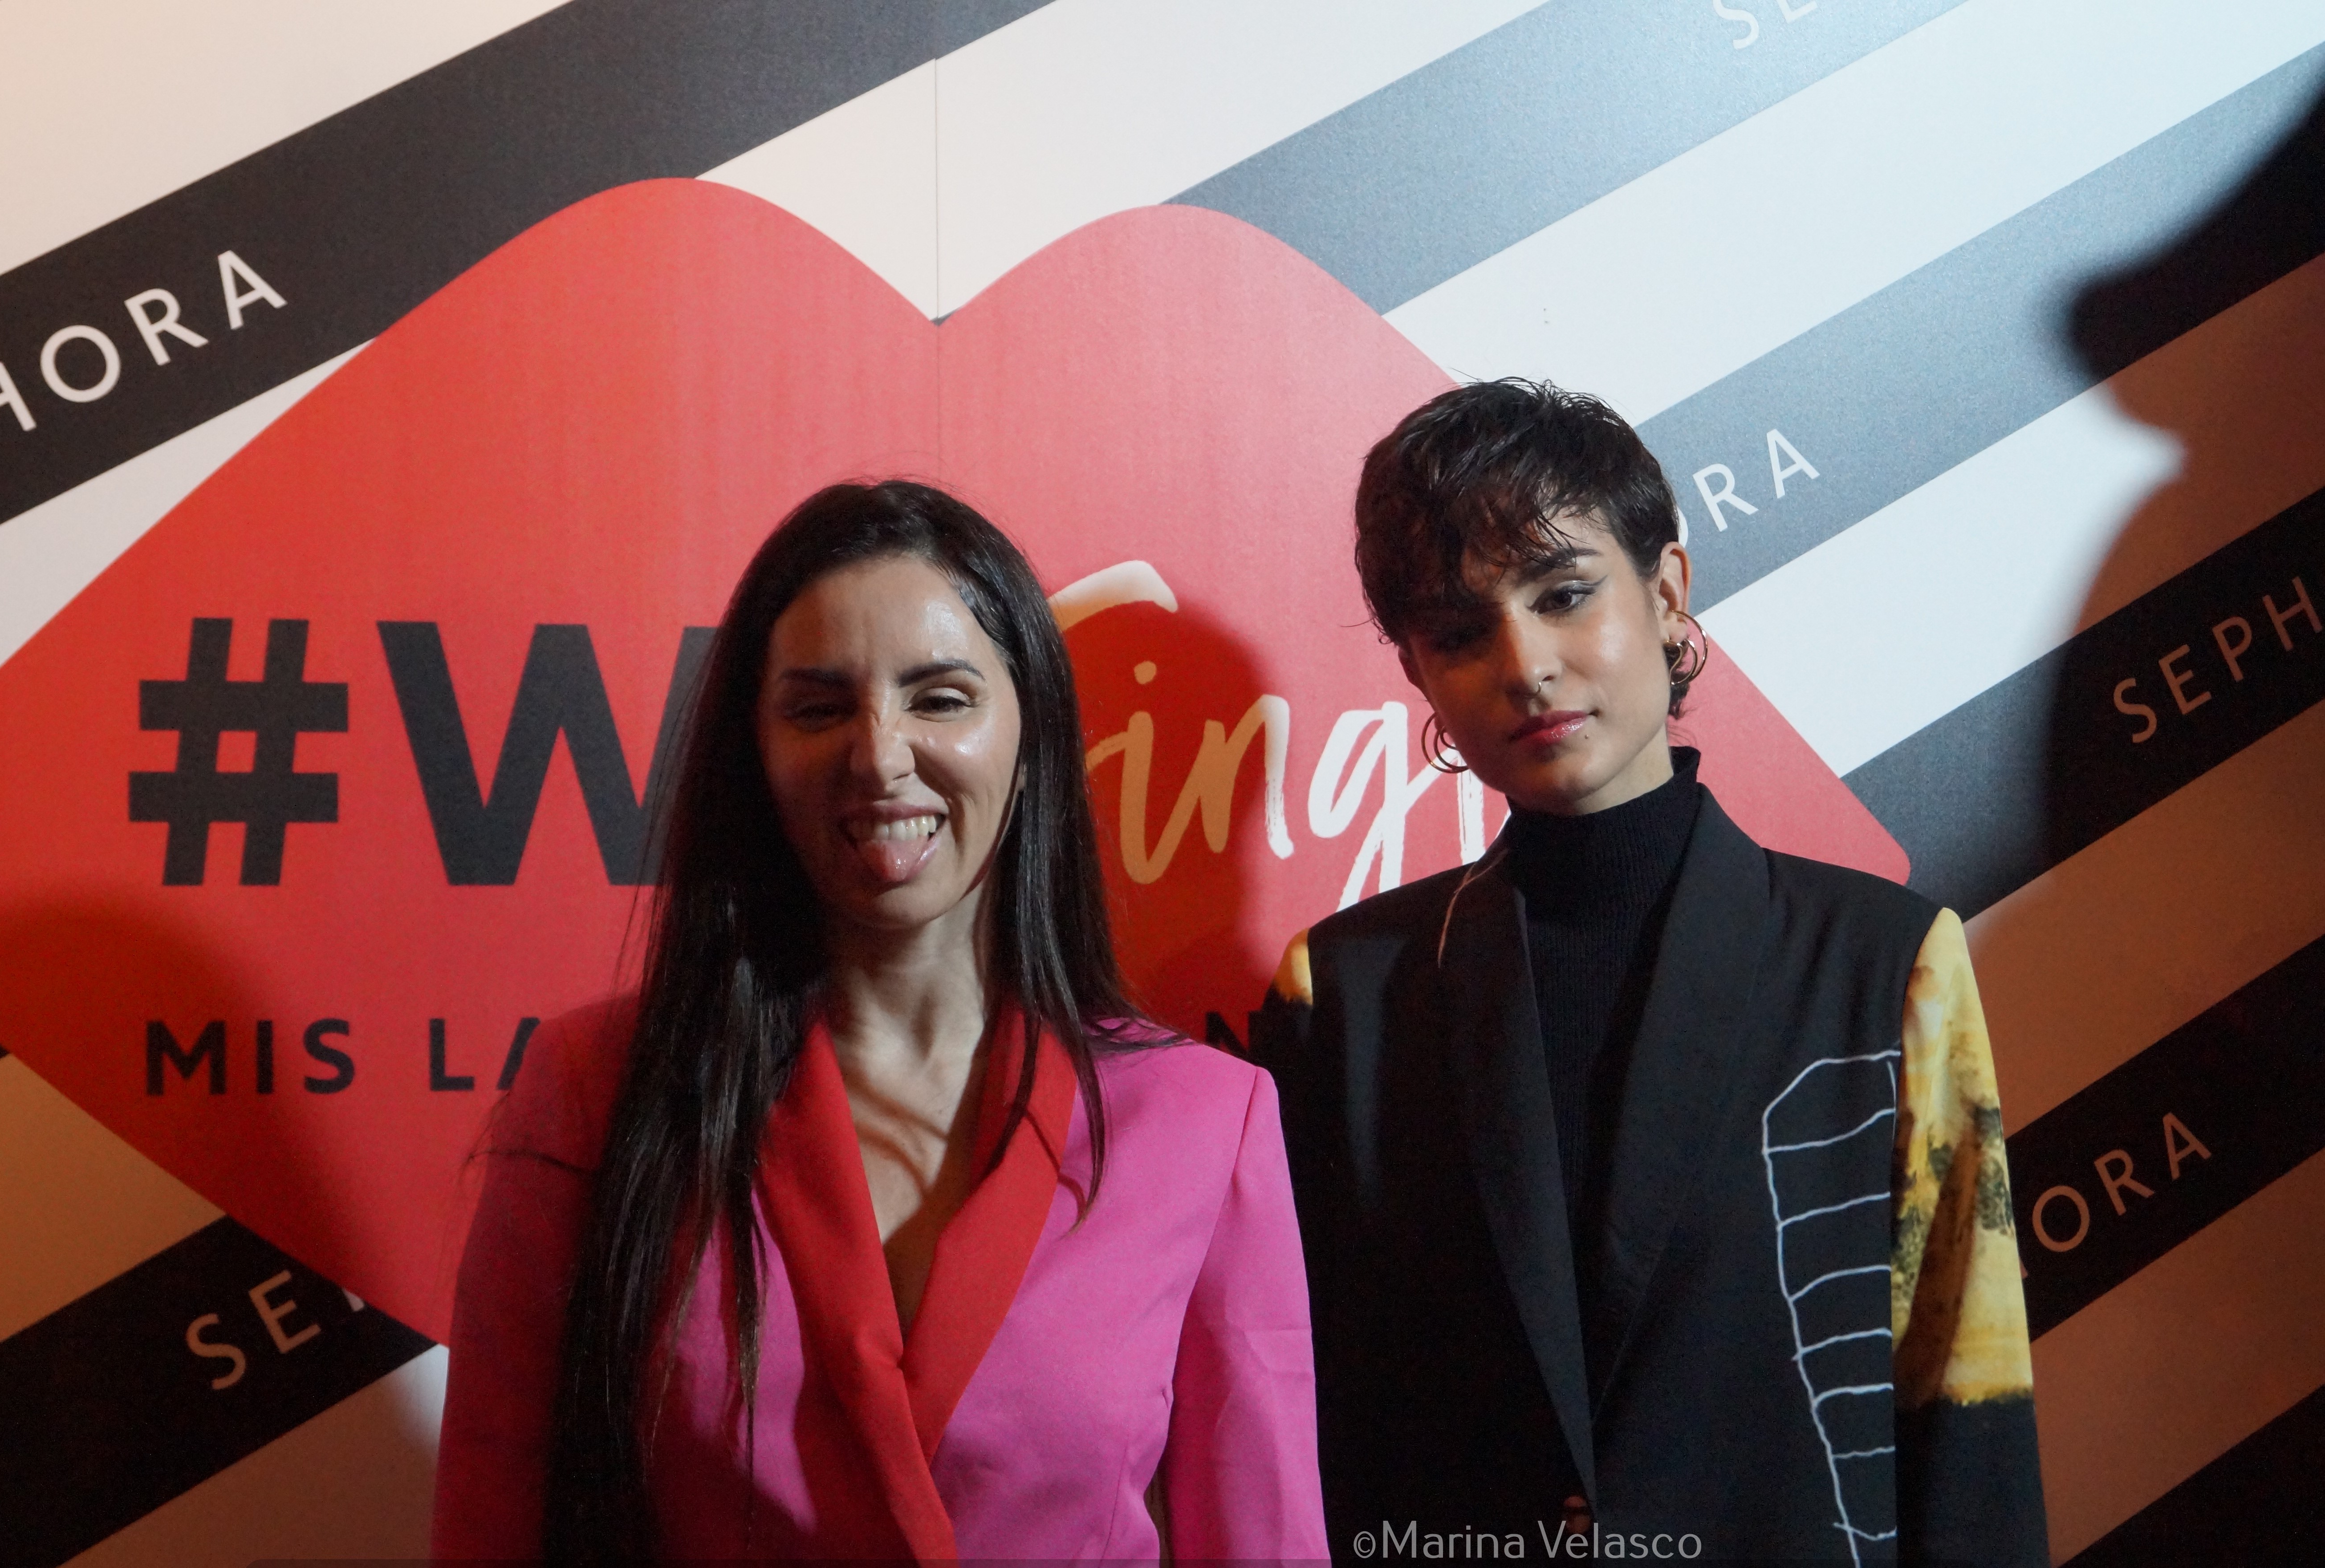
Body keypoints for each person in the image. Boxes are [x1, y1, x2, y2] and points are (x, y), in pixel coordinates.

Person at [434, 480, 1325, 1564]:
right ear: (755, 753)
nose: (880, 755)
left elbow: (1263, 1541)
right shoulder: (598, 1089)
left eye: (941, 699)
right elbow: (496, 1526)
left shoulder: (1204, 1120)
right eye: (819, 709)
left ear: (1032, 737)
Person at [1255, 382, 2049, 1564]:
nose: (1526, 664)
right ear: (1418, 673)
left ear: (1667, 591)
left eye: (1564, 594)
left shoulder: (1883, 965)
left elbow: (1965, 1404)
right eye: (1461, 633)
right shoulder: (1344, 996)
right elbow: (1303, 1422)